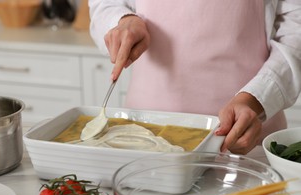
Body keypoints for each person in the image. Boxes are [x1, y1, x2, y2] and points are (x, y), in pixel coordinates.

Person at [88, 0, 301, 154]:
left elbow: (295, 28)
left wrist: (255, 99)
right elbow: (104, 4)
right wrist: (123, 21)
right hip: (142, 136)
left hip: (244, 135)